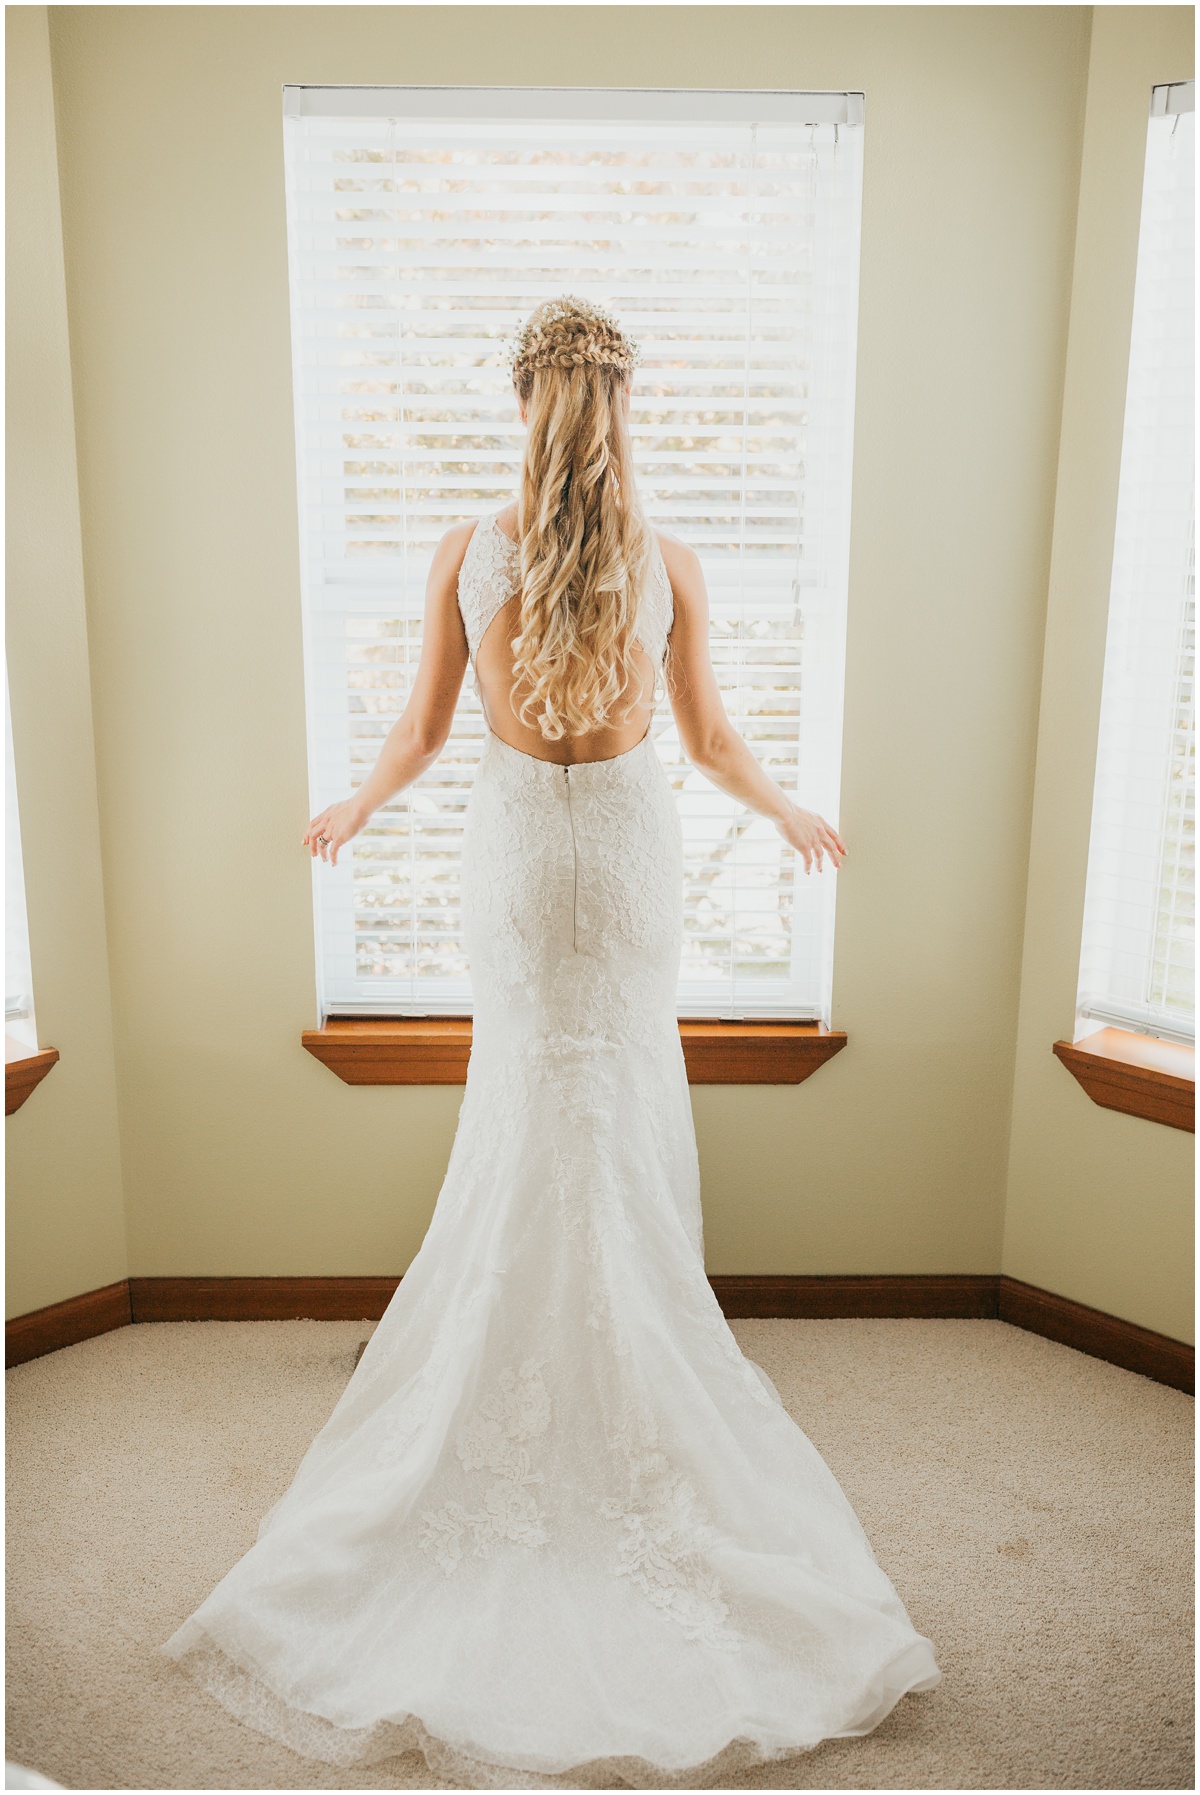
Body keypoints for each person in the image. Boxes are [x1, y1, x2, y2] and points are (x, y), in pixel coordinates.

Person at [163, 295, 941, 1787]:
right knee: (615, 1119)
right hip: (628, 869)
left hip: (521, 869)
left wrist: (360, 805)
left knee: (527, 1114)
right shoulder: (672, 561)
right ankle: (636, 1365)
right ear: (621, 406)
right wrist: (781, 809)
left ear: (522, 400)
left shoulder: (467, 552)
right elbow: (707, 744)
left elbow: (425, 731)